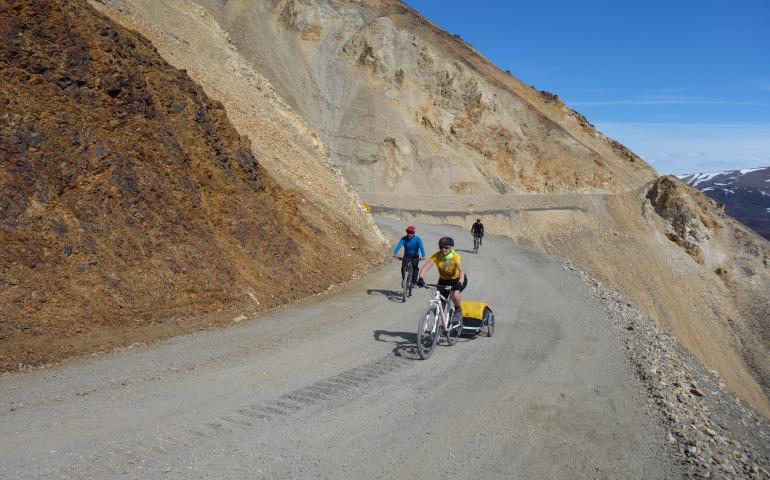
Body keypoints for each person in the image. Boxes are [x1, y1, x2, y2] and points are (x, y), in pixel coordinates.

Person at [416, 236, 467, 323]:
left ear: (451, 247)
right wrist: (420, 278)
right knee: (441, 304)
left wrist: (460, 283)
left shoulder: (455, 256)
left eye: (446, 247)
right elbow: (425, 268)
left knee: (454, 293)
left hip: (457, 279)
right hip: (443, 280)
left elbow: (461, 271)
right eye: (441, 247)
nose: (443, 249)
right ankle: (439, 328)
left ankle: (458, 309)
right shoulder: (436, 256)